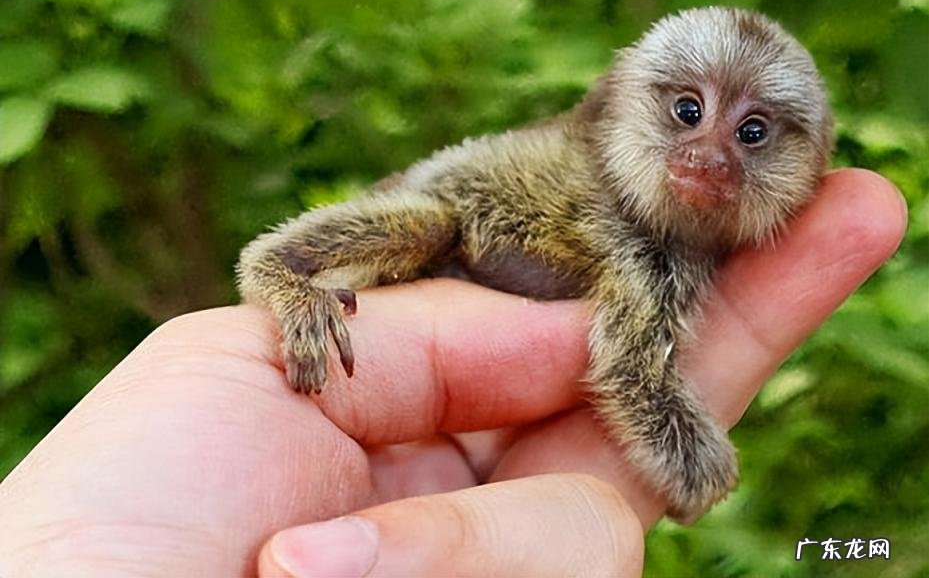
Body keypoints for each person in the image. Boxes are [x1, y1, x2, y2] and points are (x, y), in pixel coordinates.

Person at [0, 169, 906, 578]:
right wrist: (701, 471)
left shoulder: (684, 250)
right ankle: (281, 274)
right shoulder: (635, 234)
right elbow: (631, 372)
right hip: (449, 224)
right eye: (684, 115)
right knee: (417, 225)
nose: (708, 155)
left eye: (751, 136)